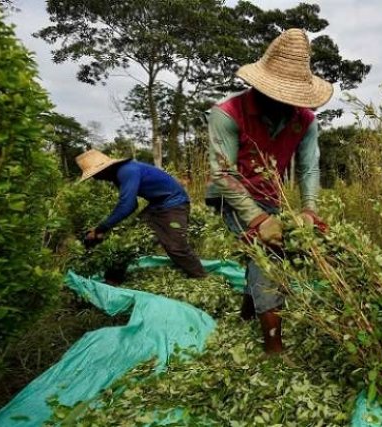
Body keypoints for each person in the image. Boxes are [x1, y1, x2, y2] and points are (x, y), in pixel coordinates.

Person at [205, 28, 331, 354]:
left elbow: (308, 168)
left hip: (270, 196)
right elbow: (223, 174)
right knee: (268, 254)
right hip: (230, 196)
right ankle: (274, 350)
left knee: (287, 247)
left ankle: (249, 311)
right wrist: (259, 221)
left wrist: (309, 210)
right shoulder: (227, 114)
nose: (286, 103)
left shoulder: (305, 121)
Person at [76, 149, 208, 279]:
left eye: (95, 174)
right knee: (129, 240)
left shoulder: (126, 171)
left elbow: (126, 206)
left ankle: (201, 278)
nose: (95, 178)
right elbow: (132, 205)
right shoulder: (119, 175)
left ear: (103, 170)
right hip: (157, 205)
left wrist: (101, 228)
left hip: (174, 204)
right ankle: (113, 280)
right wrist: (101, 229)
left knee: (176, 247)